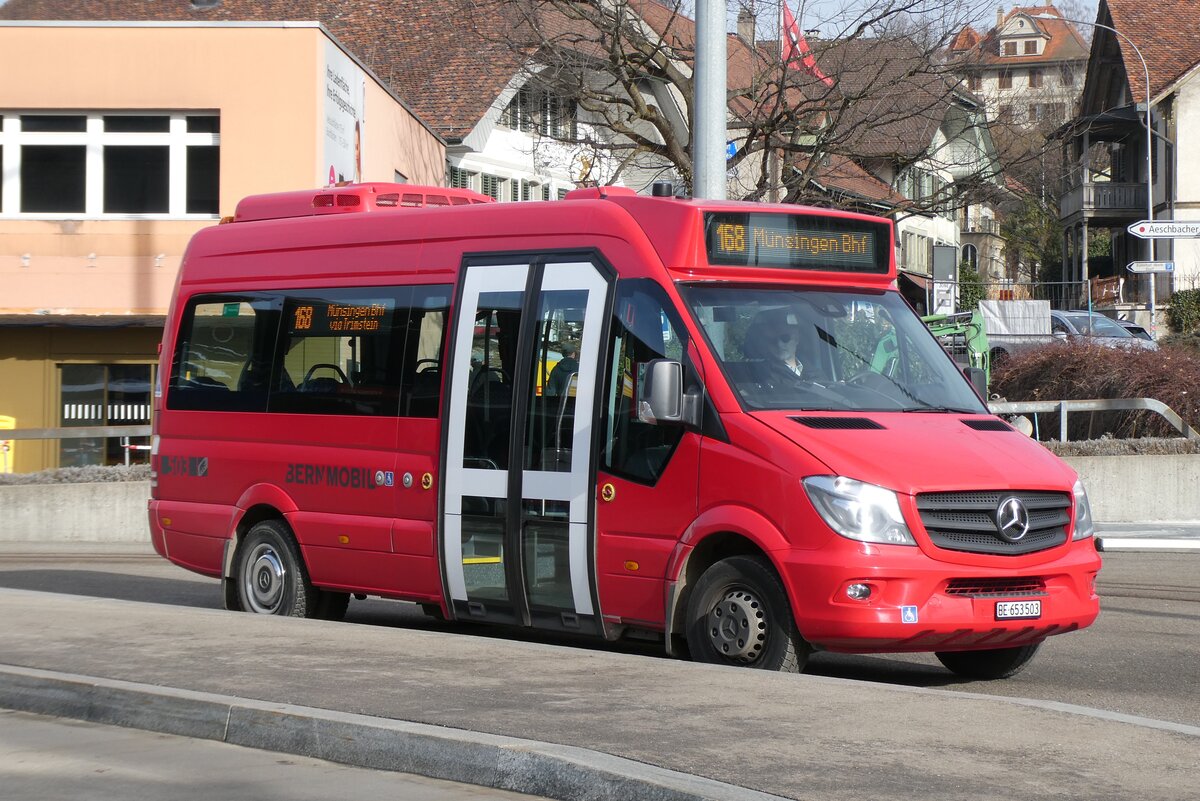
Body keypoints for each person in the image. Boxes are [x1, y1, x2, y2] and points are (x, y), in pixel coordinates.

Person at [745, 308, 805, 377]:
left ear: (796, 339)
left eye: (784, 338)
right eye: (772, 340)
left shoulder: (813, 370)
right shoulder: (763, 375)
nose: (779, 344)